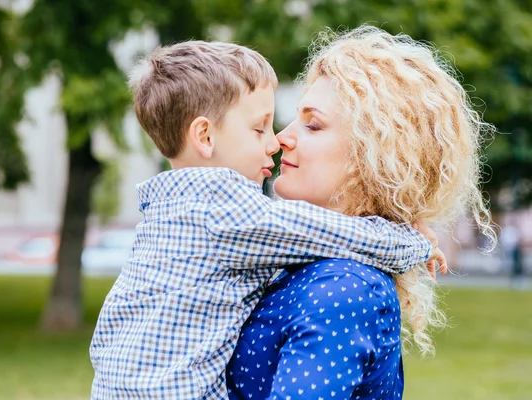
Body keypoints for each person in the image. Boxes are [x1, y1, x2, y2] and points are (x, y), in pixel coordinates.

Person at [89, 40, 437, 400]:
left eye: (313, 125)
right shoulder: (229, 212)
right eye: (260, 129)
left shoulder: (165, 207)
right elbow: (345, 237)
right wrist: (414, 241)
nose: (277, 141)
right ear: (205, 136)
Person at [226, 25, 497, 399]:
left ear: (373, 159)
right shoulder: (301, 262)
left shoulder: (343, 289)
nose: (280, 139)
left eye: (313, 124)